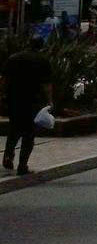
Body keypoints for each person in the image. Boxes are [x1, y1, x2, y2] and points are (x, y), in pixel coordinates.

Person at [2, 37, 53, 175]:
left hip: (14, 99)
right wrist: (49, 101)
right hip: (32, 100)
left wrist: (2, 94)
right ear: (42, 46)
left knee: (14, 129)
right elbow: (46, 85)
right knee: (29, 134)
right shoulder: (43, 61)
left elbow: (4, 79)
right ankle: (22, 165)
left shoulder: (14, 58)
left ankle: (8, 155)